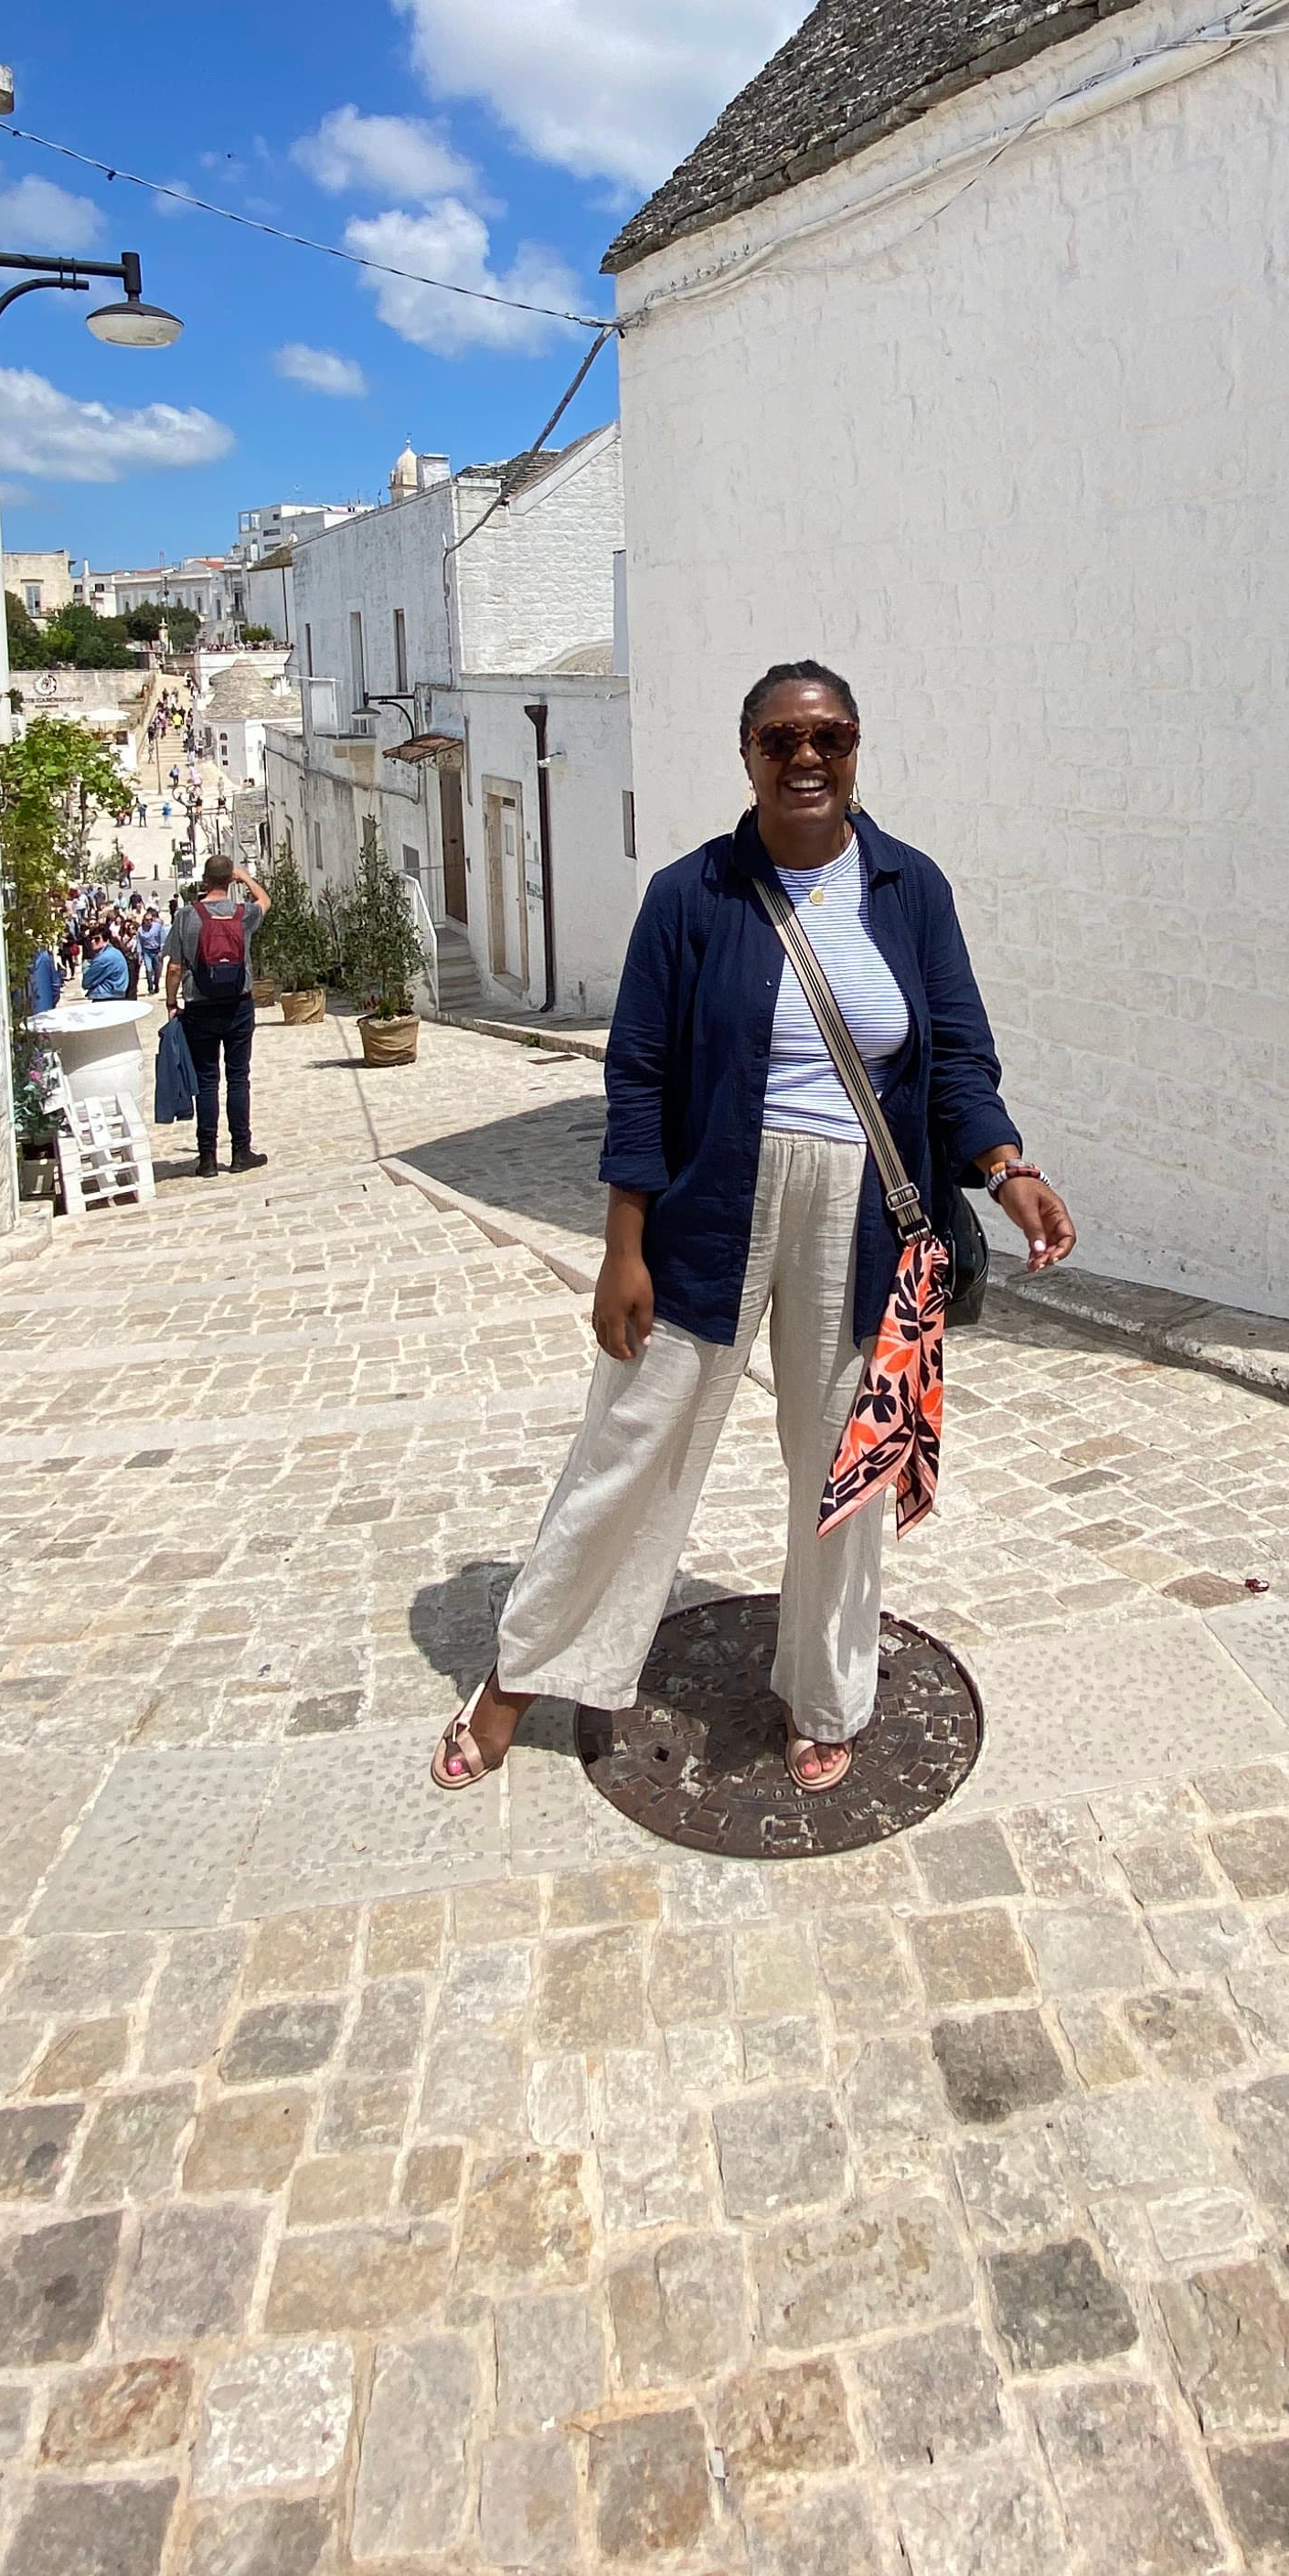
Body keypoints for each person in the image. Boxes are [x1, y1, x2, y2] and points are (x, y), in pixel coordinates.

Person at [432, 658, 1074, 1799]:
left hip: (866, 1213)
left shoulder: (910, 889)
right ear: (747, 757)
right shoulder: (692, 896)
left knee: (841, 1462)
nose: (806, 758)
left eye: (830, 737)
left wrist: (1004, 1167)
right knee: (632, 1447)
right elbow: (638, 1079)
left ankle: (826, 1697)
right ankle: (521, 1675)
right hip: (711, 1205)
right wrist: (623, 1246)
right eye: (780, 740)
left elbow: (958, 1061)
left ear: (856, 748)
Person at [163, 850, 271, 1177]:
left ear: (205, 880)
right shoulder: (243, 913)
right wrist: (245, 877)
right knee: (238, 1078)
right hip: (238, 1004)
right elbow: (265, 900)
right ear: (229, 880)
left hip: (200, 1006)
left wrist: (171, 1002)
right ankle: (240, 1152)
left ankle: (207, 1158)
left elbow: (175, 967)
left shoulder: (187, 916)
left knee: (207, 1081)